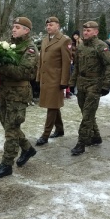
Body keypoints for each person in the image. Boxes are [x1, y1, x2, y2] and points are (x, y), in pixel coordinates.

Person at [0, 17, 39, 179]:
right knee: (7, 125)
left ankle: (7, 164)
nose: (13, 29)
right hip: (5, 91)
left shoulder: (29, 48)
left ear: (26, 30)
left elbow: (23, 72)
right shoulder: (9, 45)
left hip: (19, 92)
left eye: (17, 27)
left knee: (12, 129)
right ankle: (28, 149)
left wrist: (1, 66)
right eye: (13, 27)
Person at [68, 21, 110, 155]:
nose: (85, 32)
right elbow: (76, 67)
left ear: (96, 32)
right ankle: (96, 136)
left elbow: (109, 66)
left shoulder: (101, 46)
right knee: (86, 112)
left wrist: (106, 85)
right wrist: (72, 83)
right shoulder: (81, 47)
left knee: (87, 114)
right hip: (82, 83)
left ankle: (81, 142)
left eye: (89, 30)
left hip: (95, 84)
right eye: (85, 30)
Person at [35, 17, 72, 146]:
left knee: (51, 107)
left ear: (58, 26)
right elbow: (41, 60)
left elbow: (66, 63)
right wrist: (39, 77)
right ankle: (60, 129)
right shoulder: (45, 40)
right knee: (53, 105)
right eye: (47, 25)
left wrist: (64, 81)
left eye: (51, 25)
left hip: (56, 80)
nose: (48, 27)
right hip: (46, 79)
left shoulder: (64, 40)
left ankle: (45, 134)